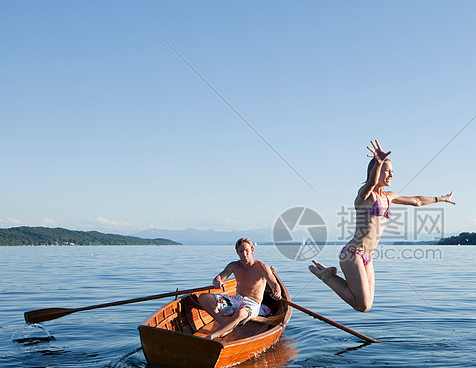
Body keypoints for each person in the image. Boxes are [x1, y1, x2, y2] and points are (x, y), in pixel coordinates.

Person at [309, 140, 454, 312]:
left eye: (392, 172)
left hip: (368, 257)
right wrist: (378, 163)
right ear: (376, 172)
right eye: (387, 171)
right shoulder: (365, 196)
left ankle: (327, 275)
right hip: (353, 254)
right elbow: (370, 183)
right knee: (361, 305)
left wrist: (441, 199)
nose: (391, 175)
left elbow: (416, 201)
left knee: (366, 306)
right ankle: (326, 277)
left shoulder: (389, 197)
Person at [194, 238, 282, 340]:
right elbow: (218, 278)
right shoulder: (234, 266)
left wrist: (277, 293)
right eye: (241, 251)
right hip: (236, 299)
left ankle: (212, 336)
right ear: (237, 252)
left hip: (253, 304)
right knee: (203, 297)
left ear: (252, 250)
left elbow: (274, 284)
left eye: (247, 251)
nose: (244, 254)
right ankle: (225, 325)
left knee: (241, 313)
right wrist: (217, 282)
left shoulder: (262, 267)